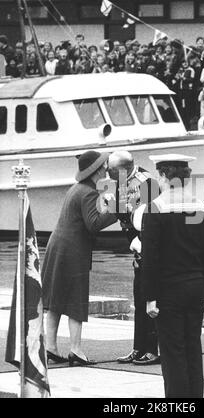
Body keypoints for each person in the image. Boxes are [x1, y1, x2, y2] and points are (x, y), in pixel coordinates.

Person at [141, 154, 204, 398]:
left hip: (168, 290)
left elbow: (150, 258)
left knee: (173, 352)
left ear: (162, 176)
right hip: (195, 287)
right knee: (193, 347)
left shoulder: (156, 208)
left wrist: (149, 296)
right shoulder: (200, 207)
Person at [42, 151, 117, 366]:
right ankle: (75, 350)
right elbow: (93, 224)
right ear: (97, 170)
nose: (106, 168)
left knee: (56, 301)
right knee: (75, 299)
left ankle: (51, 347)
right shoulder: (89, 193)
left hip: (58, 246)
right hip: (73, 251)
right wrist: (117, 211)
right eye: (103, 166)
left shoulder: (77, 189)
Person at [107, 151, 160, 366]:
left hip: (148, 244)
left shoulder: (147, 183)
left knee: (150, 297)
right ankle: (138, 347)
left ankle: (152, 349)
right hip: (135, 244)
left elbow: (153, 217)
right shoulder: (119, 182)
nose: (106, 172)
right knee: (139, 298)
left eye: (110, 169)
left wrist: (141, 238)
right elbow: (126, 217)